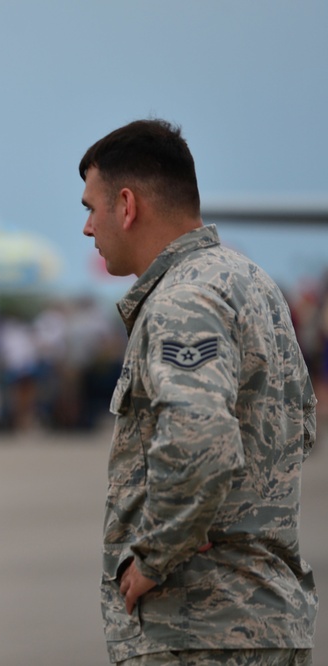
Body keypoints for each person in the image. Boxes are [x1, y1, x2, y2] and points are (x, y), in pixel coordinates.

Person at [79, 120, 317, 665]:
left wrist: (154, 558)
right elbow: (294, 435)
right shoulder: (252, 283)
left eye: (91, 208)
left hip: (199, 626)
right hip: (267, 617)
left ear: (127, 204)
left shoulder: (183, 298)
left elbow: (199, 437)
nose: (88, 228)